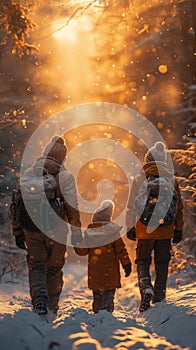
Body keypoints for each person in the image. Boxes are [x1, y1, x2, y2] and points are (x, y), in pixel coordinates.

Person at [11, 135, 82, 319]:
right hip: (56, 231)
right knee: (53, 269)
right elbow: (72, 207)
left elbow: (16, 204)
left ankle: (40, 302)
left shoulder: (28, 174)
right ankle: (52, 307)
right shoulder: (65, 177)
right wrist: (75, 232)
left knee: (36, 267)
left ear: (44, 152)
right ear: (62, 158)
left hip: (30, 229)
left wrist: (17, 231)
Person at [126, 141, 183, 312]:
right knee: (162, 263)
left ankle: (146, 288)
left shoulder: (139, 178)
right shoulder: (171, 179)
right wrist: (178, 228)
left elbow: (131, 206)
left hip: (144, 230)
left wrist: (130, 227)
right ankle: (159, 297)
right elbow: (179, 207)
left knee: (142, 261)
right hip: (165, 230)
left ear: (148, 160)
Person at [75, 200, 132, 314]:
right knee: (108, 296)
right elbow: (121, 250)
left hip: (95, 274)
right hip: (110, 273)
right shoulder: (113, 232)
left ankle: (97, 315)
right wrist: (126, 264)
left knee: (97, 296)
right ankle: (106, 316)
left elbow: (82, 251)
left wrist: (77, 240)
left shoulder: (89, 233)